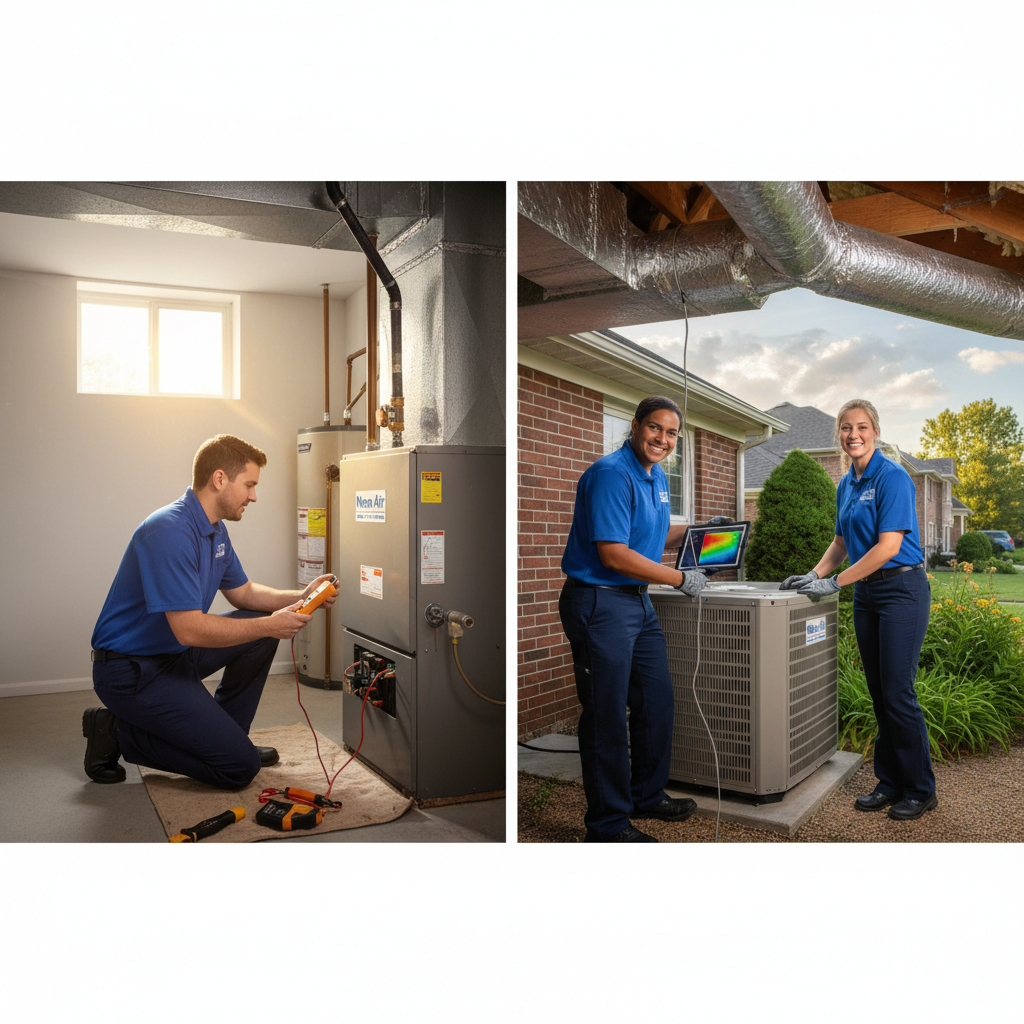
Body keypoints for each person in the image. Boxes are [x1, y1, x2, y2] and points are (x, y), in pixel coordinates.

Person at [83, 434, 337, 790]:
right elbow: (189, 630)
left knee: (257, 632)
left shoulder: (214, 530)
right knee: (237, 768)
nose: (254, 496)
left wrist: (302, 595)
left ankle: (227, 737)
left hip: (172, 655)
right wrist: (271, 625)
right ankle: (118, 732)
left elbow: (244, 593)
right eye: (249, 484)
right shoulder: (169, 531)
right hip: (130, 670)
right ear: (220, 479)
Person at [559, 396, 719, 843]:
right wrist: (677, 579)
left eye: (671, 434)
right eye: (655, 428)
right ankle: (607, 826)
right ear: (635, 426)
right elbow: (613, 553)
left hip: (636, 603)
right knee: (606, 714)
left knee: (656, 701)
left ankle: (645, 795)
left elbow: (650, 533)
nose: (662, 440)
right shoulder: (612, 474)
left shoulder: (657, 477)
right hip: (599, 602)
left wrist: (701, 531)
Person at [781, 400, 937, 821]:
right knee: (880, 693)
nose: (854, 435)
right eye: (846, 428)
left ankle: (920, 789)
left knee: (899, 693)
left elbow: (888, 547)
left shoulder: (894, 478)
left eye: (862, 427)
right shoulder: (846, 484)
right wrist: (813, 574)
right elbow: (841, 543)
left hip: (902, 589)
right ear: (839, 434)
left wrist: (834, 583)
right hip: (867, 594)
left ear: (876, 431)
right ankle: (889, 783)